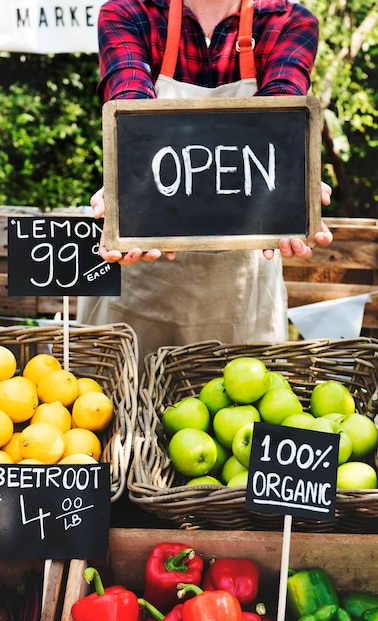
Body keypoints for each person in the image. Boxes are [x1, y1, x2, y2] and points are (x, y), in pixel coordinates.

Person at [78, 0, 333, 365]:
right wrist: (126, 191)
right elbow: (129, 101)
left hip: (240, 295)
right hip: (140, 277)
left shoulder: (288, 21)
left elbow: (280, 114)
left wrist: (295, 185)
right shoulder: (129, 12)